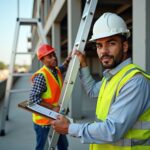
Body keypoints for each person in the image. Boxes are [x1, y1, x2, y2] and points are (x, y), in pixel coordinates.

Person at [51, 12, 150, 150]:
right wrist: (84, 64)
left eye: (111, 43)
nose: (104, 51)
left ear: (125, 46)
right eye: (99, 45)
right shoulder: (112, 77)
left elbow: (112, 130)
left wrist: (70, 128)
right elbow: (92, 91)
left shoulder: (135, 82)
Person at [29, 43, 71, 150]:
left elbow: (62, 68)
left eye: (54, 55)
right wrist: (52, 107)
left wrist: (67, 60)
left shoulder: (55, 70)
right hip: (43, 121)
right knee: (42, 147)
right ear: (42, 60)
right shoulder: (41, 76)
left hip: (56, 117)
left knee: (63, 145)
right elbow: (33, 99)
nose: (54, 58)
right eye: (49, 56)